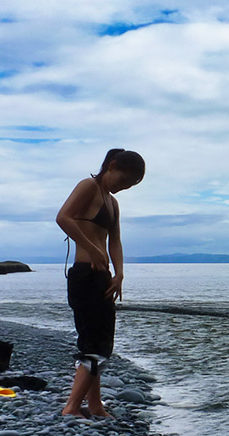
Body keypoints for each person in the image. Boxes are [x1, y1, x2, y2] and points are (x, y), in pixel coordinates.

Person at [55, 148, 145, 417]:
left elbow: (114, 240)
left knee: (101, 343)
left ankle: (94, 405)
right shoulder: (89, 186)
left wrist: (119, 273)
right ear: (112, 166)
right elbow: (63, 217)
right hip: (85, 274)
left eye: (130, 186)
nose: (124, 188)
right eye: (124, 181)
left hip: (102, 277)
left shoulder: (111, 202)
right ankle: (71, 407)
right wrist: (92, 250)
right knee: (94, 345)